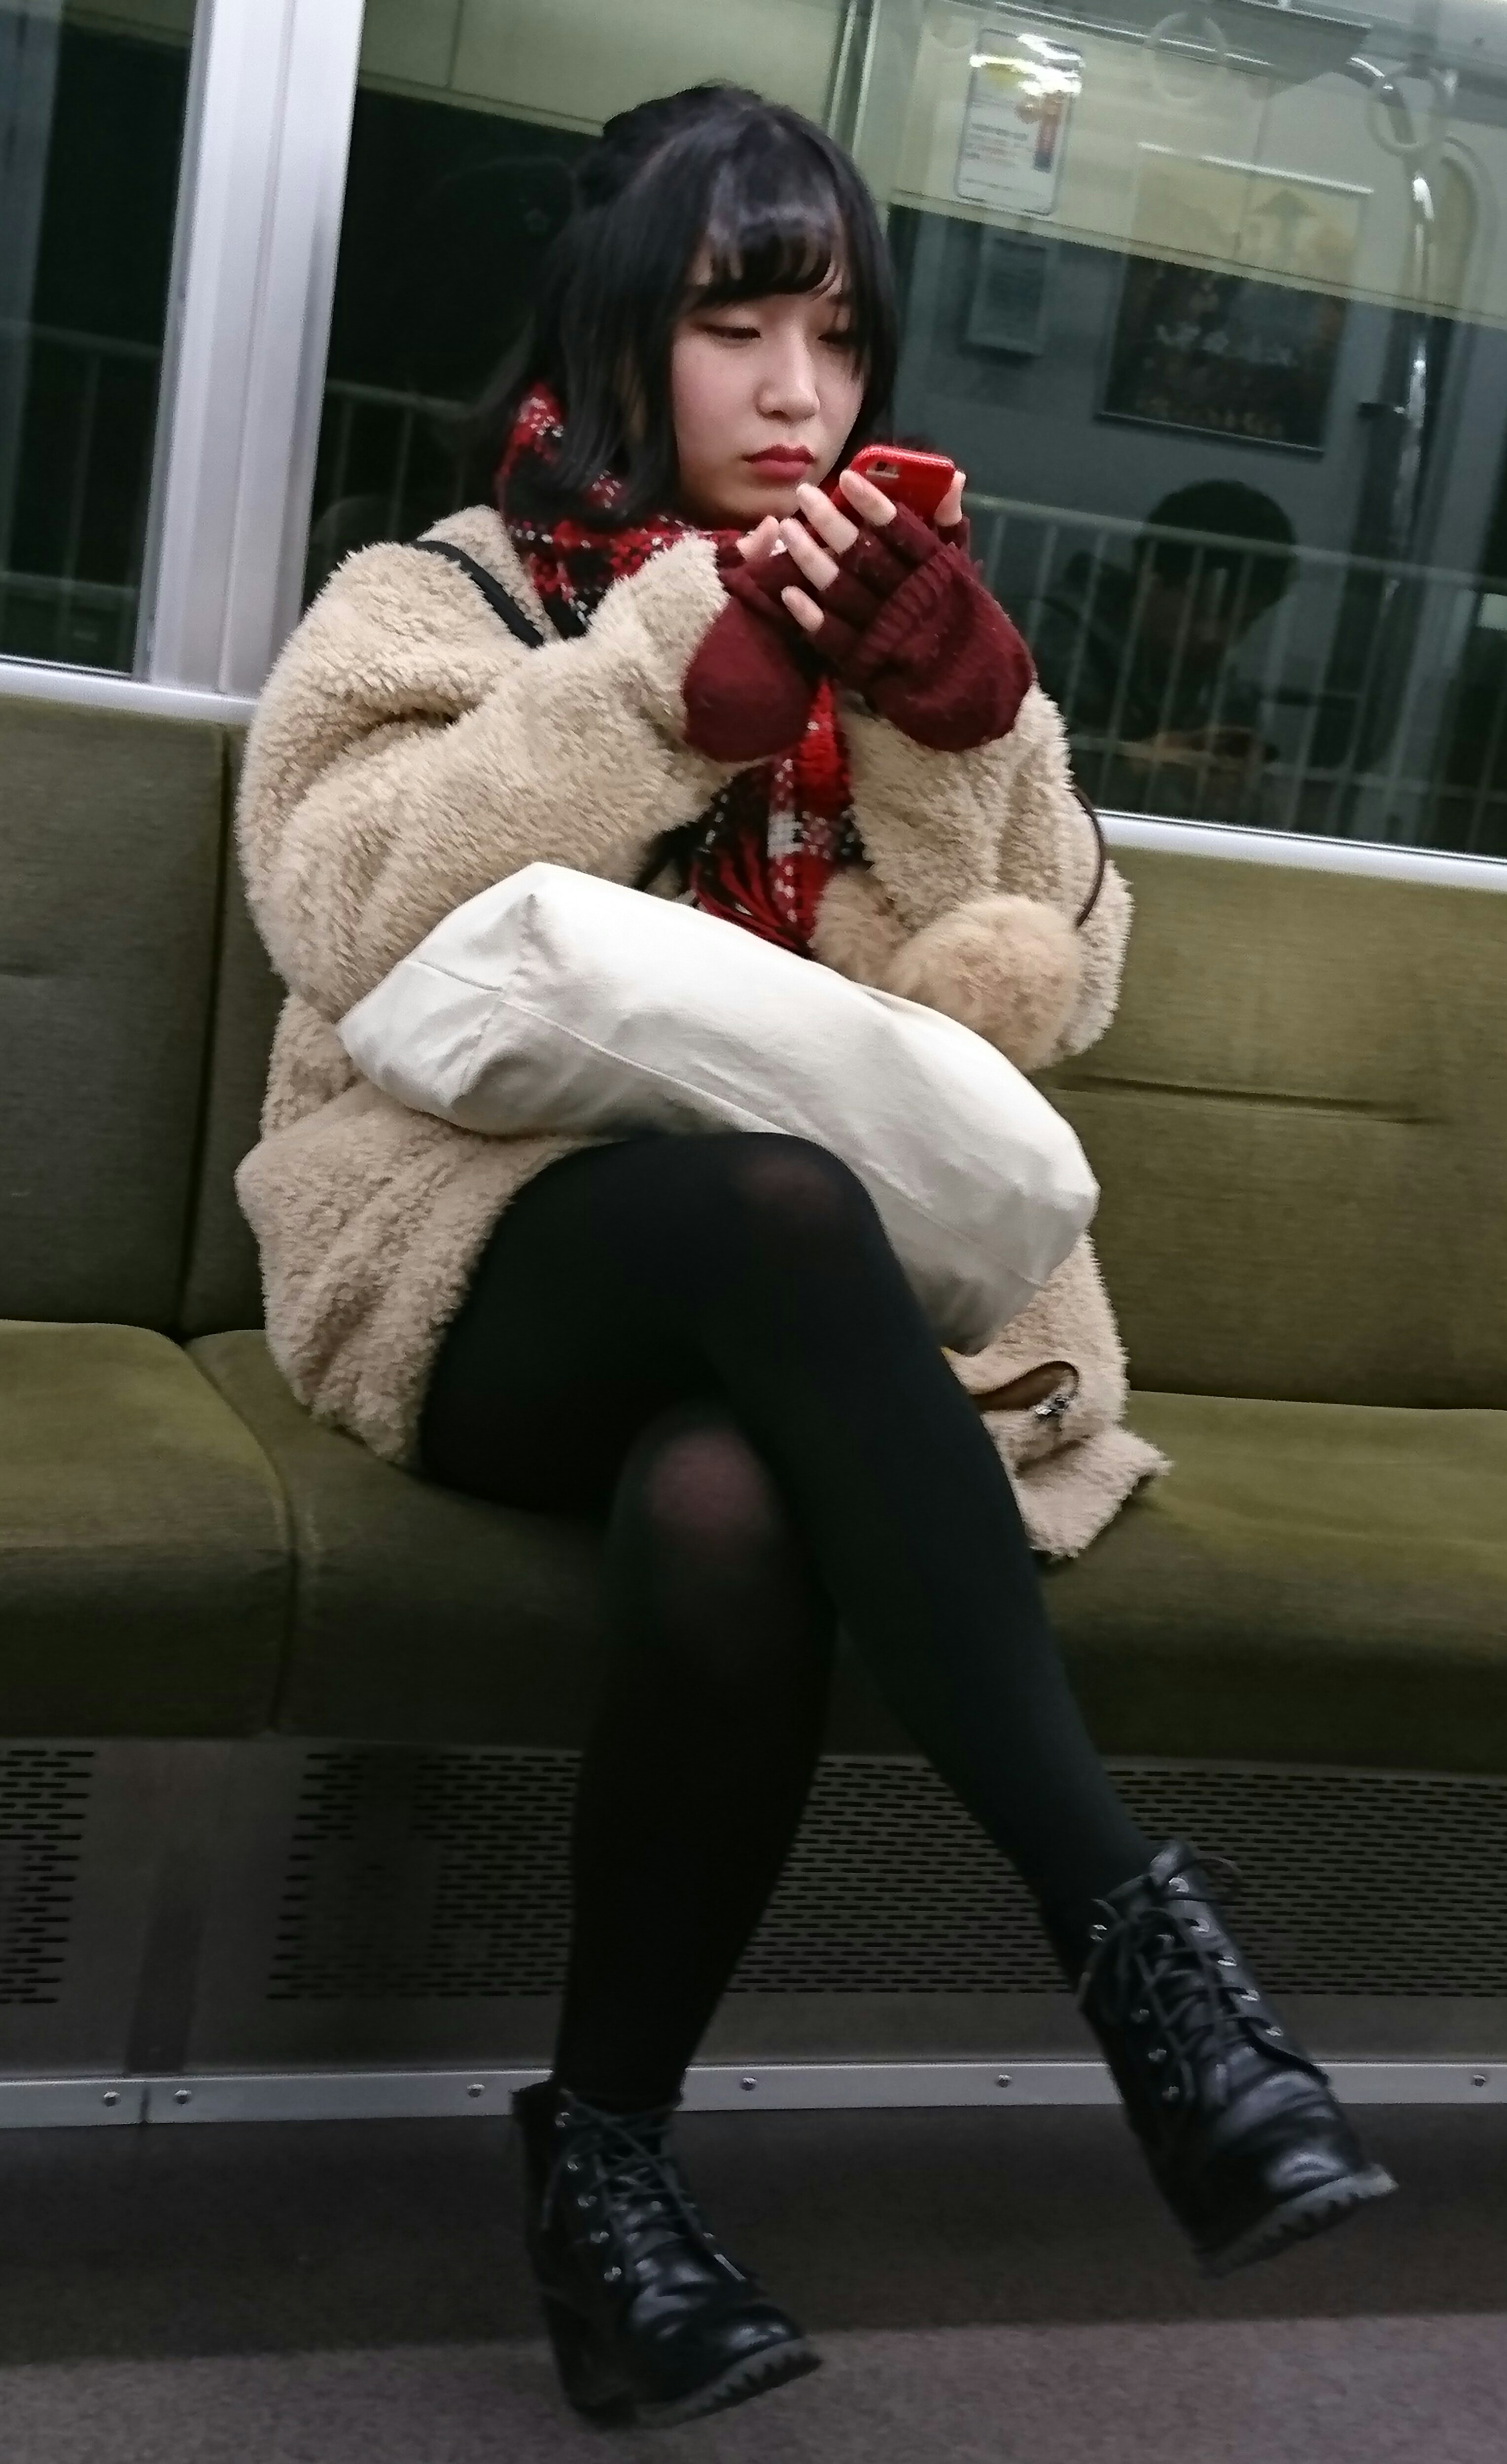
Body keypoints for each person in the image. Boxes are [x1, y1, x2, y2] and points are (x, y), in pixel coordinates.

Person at [235, 85, 1393, 2432]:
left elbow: (1053, 978)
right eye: (733, 322)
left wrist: (959, 726)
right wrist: (662, 673)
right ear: (615, 330)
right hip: (469, 1251)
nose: (797, 389)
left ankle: (607, 2170)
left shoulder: (896, 613)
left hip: (781, 1339)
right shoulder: (444, 594)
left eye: (838, 334)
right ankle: (1145, 1959)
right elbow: (342, 906)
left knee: (729, 1498)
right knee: (768, 1203)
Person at [1032, 481, 1297, 810]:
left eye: (1243, 622)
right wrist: (1133, 763)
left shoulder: (1224, 696)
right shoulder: (1042, 642)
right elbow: (1004, 767)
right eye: (1203, 610)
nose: (1216, 636)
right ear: (1150, 577)